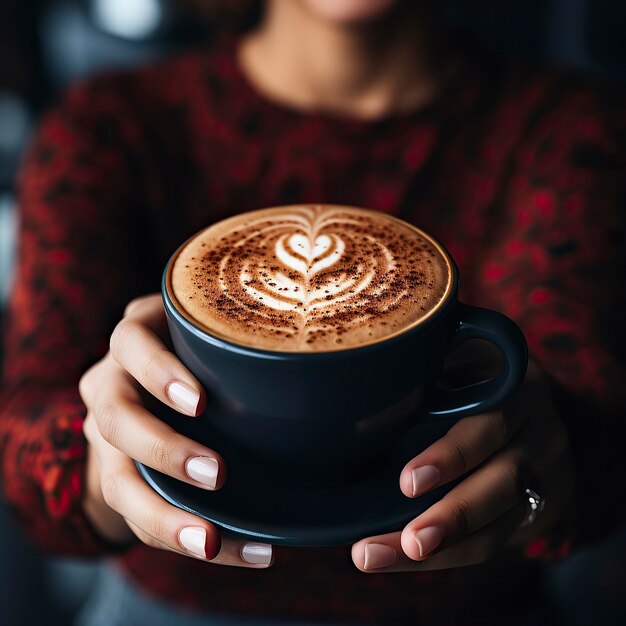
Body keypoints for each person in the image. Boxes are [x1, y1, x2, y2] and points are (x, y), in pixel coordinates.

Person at [1, 0, 625, 624]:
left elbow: (600, 442)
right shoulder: (107, 127)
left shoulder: (572, 132)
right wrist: (101, 463)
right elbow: (24, 438)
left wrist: (552, 473)